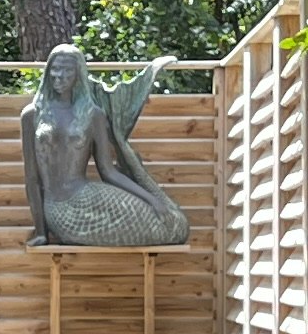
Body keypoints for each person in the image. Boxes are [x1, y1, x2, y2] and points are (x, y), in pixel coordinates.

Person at [22, 42, 190, 248]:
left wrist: (151, 199)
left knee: (176, 226)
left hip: (90, 195)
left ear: (78, 74)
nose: (59, 75)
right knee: (169, 227)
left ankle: (155, 208)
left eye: (67, 69)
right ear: (48, 71)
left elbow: (108, 171)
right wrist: (41, 232)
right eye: (55, 68)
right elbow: (31, 178)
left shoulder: (93, 115)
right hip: (57, 209)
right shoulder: (32, 114)